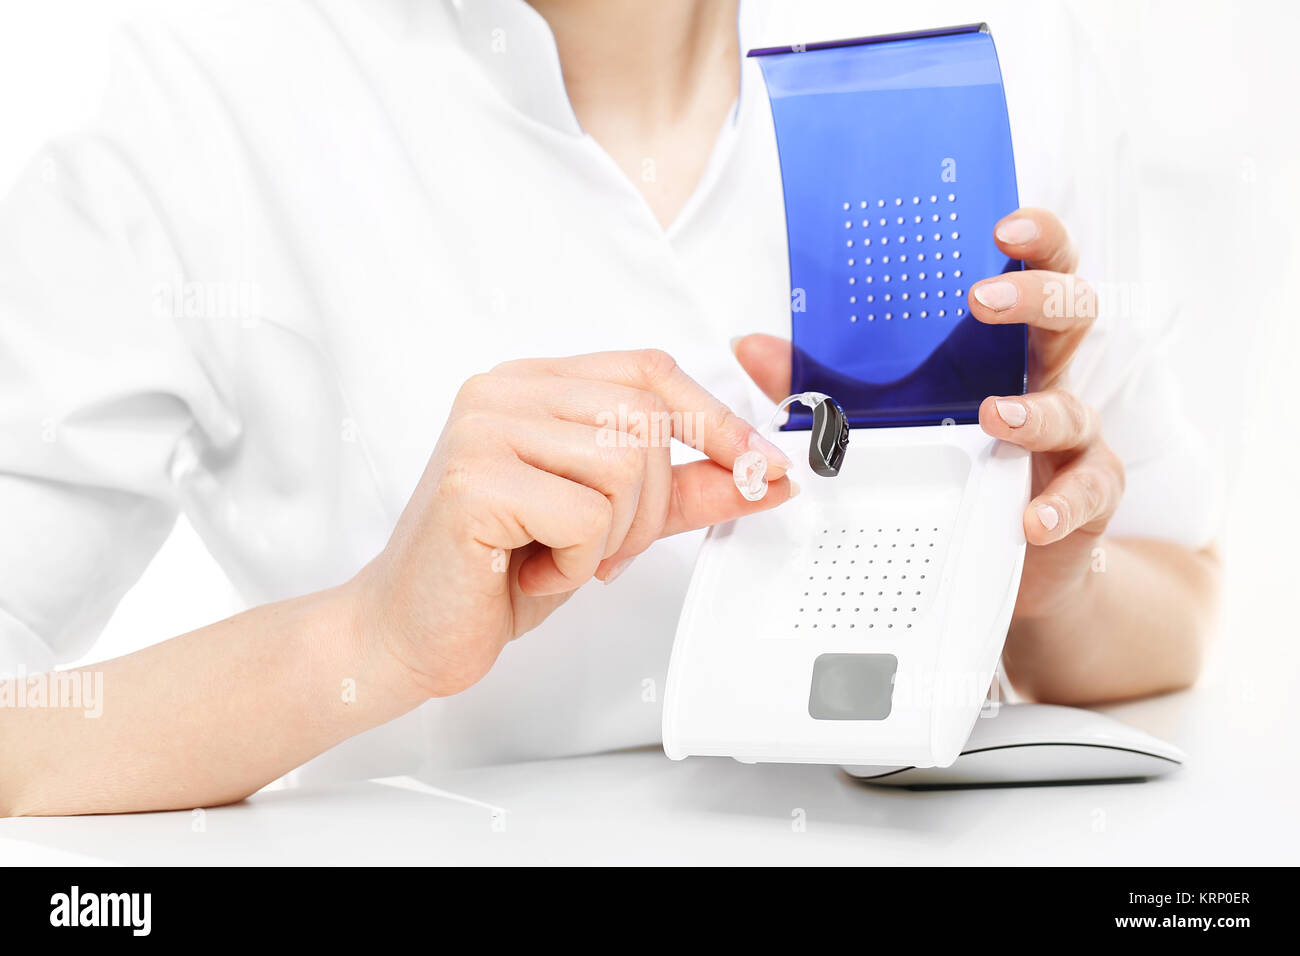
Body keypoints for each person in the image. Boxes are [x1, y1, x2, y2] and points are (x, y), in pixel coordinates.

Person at [0, 0, 1220, 816]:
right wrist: (364, 641)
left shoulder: (1005, 48)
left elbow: (1188, 602)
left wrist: (1048, 584)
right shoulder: (202, 99)